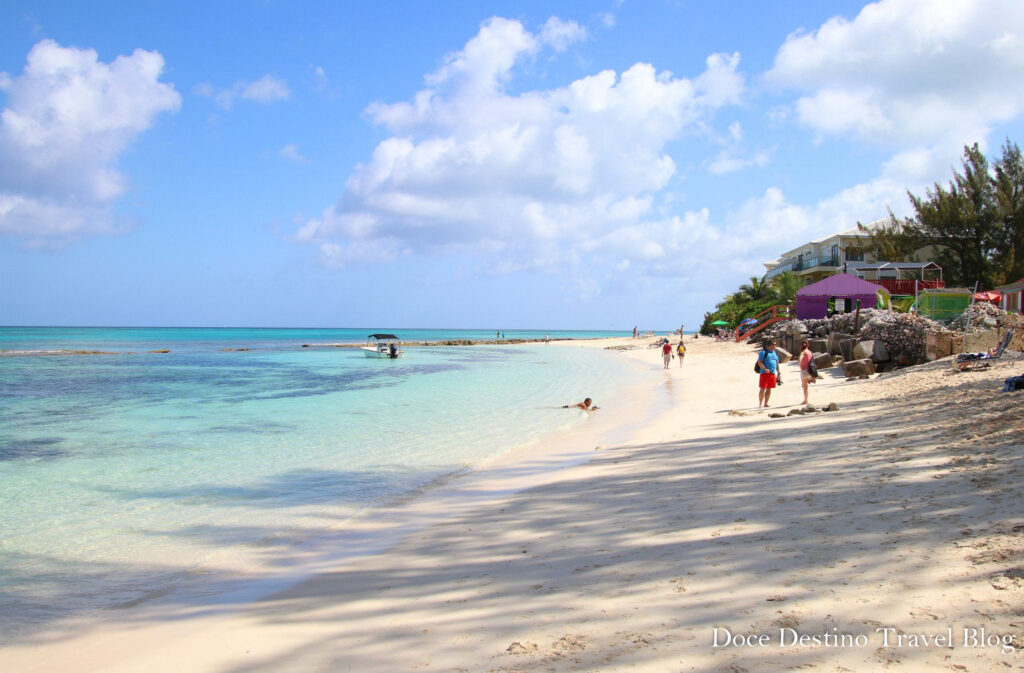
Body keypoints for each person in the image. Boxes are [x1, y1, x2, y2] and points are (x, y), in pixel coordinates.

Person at [757, 340, 780, 408]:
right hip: (764, 373)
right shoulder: (763, 352)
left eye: (775, 344)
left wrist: (778, 372)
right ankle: (760, 403)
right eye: (774, 344)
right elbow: (759, 362)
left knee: (769, 388)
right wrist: (764, 369)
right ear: (770, 345)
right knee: (763, 388)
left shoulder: (775, 353)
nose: (775, 346)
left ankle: (766, 403)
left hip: (772, 373)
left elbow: (777, 363)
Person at [799, 340, 816, 405]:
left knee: (804, 387)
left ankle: (805, 400)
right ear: (807, 345)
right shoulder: (810, 352)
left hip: (804, 371)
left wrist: (800, 365)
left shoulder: (803, 352)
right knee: (806, 386)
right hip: (809, 370)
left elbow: (800, 358)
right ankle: (811, 378)